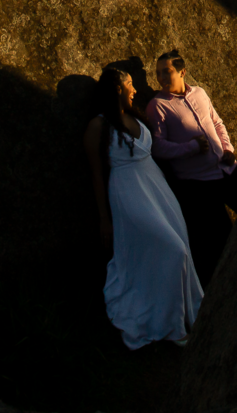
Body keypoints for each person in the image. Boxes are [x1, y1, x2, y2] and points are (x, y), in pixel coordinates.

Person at [83, 67, 202, 348]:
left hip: (158, 191)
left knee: (177, 250)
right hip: (128, 194)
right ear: (117, 89)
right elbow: (96, 175)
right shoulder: (98, 126)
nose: (134, 89)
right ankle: (171, 327)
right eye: (129, 84)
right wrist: (104, 218)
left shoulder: (135, 117)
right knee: (173, 250)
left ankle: (186, 315)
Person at [145, 50, 237, 283]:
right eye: (158, 73)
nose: (162, 77)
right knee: (222, 241)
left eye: (167, 71)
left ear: (182, 72)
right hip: (199, 185)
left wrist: (228, 150)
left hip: (227, 172)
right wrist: (190, 147)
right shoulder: (158, 106)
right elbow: (158, 148)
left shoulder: (200, 93)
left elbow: (217, 122)